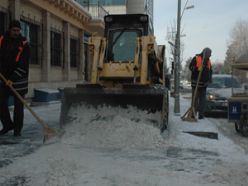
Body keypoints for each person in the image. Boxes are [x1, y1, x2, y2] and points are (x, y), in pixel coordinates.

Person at [0, 20, 30, 136]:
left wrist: (12, 78)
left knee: (18, 107)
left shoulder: (24, 44)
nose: (16, 32)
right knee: (1, 102)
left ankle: (17, 130)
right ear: (9, 29)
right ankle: (7, 124)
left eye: (18, 30)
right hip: (4, 78)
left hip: (19, 78)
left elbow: (23, 65)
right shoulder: (2, 40)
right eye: (14, 30)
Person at [189, 47, 212, 119]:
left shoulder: (208, 61)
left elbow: (210, 71)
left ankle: (201, 115)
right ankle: (193, 114)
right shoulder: (196, 58)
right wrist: (196, 69)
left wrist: (209, 79)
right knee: (195, 100)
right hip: (196, 83)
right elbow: (190, 67)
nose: (210, 55)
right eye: (209, 54)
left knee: (202, 101)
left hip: (204, 84)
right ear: (205, 53)